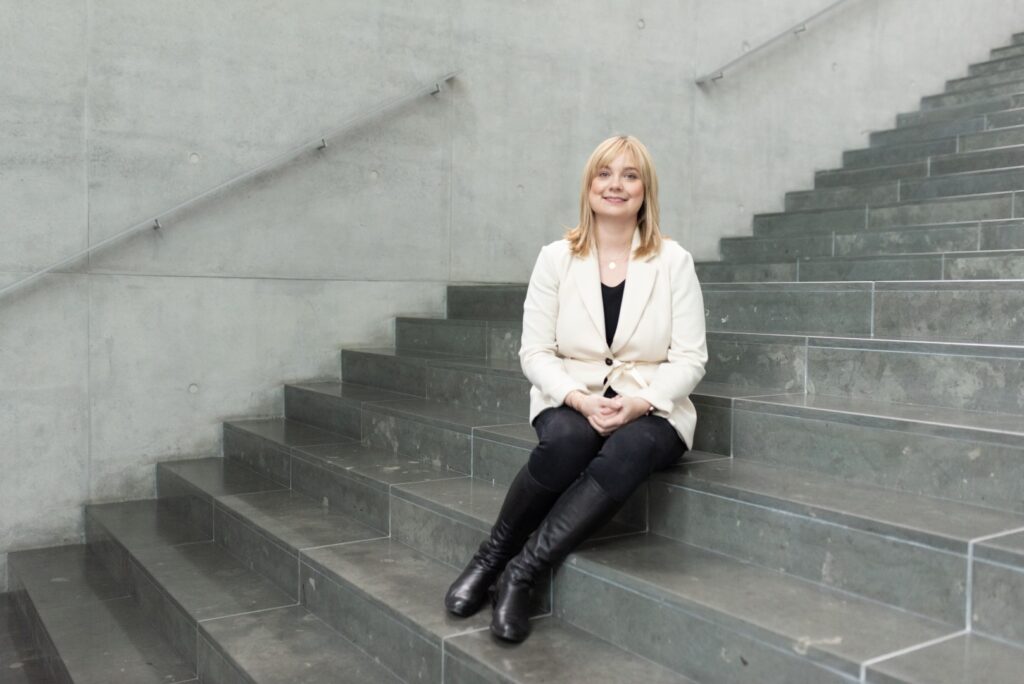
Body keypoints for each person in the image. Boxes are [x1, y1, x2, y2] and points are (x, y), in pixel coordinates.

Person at [444, 135, 708, 643]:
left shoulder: (673, 261)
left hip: (652, 403)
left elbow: (691, 357)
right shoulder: (556, 259)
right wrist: (577, 398)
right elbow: (535, 352)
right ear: (588, 187)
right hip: (572, 395)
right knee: (569, 439)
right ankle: (491, 556)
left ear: (645, 190)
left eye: (630, 175)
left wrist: (641, 402)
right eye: (604, 174)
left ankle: (523, 573)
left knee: (631, 446)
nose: (616, 185)